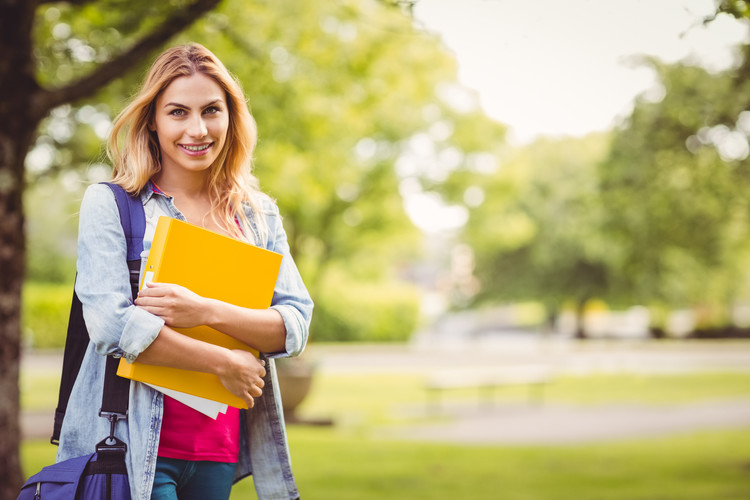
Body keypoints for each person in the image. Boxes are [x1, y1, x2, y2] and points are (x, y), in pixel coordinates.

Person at [56, 43, 313, 500]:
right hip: (132, 448)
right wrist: (225, 361)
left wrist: (205, 311)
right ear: (152, 119)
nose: (197, 129)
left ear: (231, 117)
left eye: (211, 110)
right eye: (178, 112)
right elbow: (111, 326)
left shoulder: (257, 215)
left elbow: (292, 325)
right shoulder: (114, 205)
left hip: (220, 449)